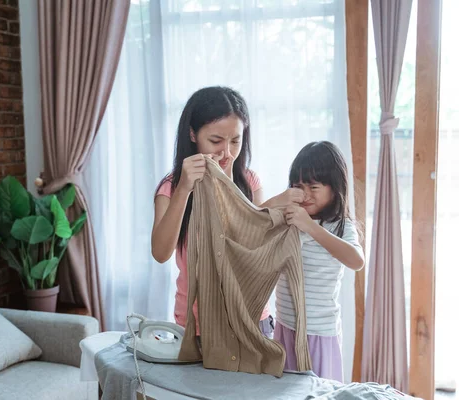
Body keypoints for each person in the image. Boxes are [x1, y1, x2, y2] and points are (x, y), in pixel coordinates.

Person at [151, 86, 297, 337]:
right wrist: (184, 188)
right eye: (216, 141)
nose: (226, 152)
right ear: (193, 134)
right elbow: (161, 253)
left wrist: (229, 183)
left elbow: (254, 245)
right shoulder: (171, 187)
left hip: (251, 318)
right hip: (197, 324)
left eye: (236, 140)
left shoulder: (249, 181)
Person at [273, 141, 365, 381]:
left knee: (318, 391)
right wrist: (279, 199)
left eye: (314, 186)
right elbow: (249, 220)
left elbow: (356, 261)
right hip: (285, 326)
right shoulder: (289, 216)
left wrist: (310, 227)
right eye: (297, 186)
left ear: (335, 189)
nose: (305, 194)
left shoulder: (340, 225)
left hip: (318, 332)